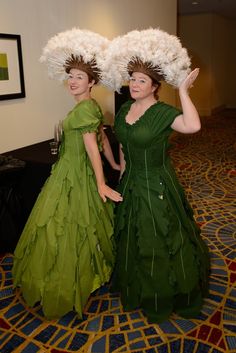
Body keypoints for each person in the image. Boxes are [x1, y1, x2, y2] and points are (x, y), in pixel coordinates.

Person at [12, 28, 122, 319]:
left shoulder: (84, 109)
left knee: (68, 224)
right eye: (70, 76)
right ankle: (92, 269)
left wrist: (101, 180)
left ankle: (69, 278)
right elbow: (102, 135)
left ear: (92, 82)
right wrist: (113, 164)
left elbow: (92, 147)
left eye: (79, 77)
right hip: (73, 168)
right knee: (80, 224)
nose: (72, 82)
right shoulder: (91, 106)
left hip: (74, 171)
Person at [104, 28, 210, 323]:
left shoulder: (163, 112)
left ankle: (164, 293)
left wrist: (184, 92)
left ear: (154, 86)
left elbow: (193, 126)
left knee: (159, 236)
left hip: (157, 184)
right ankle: (136, 285)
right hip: (131, 182)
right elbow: (124, 145)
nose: (135, 84)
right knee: (132, 236)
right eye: (133, 79)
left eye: (142, 81)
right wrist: (121, 174)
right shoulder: (125, 108)